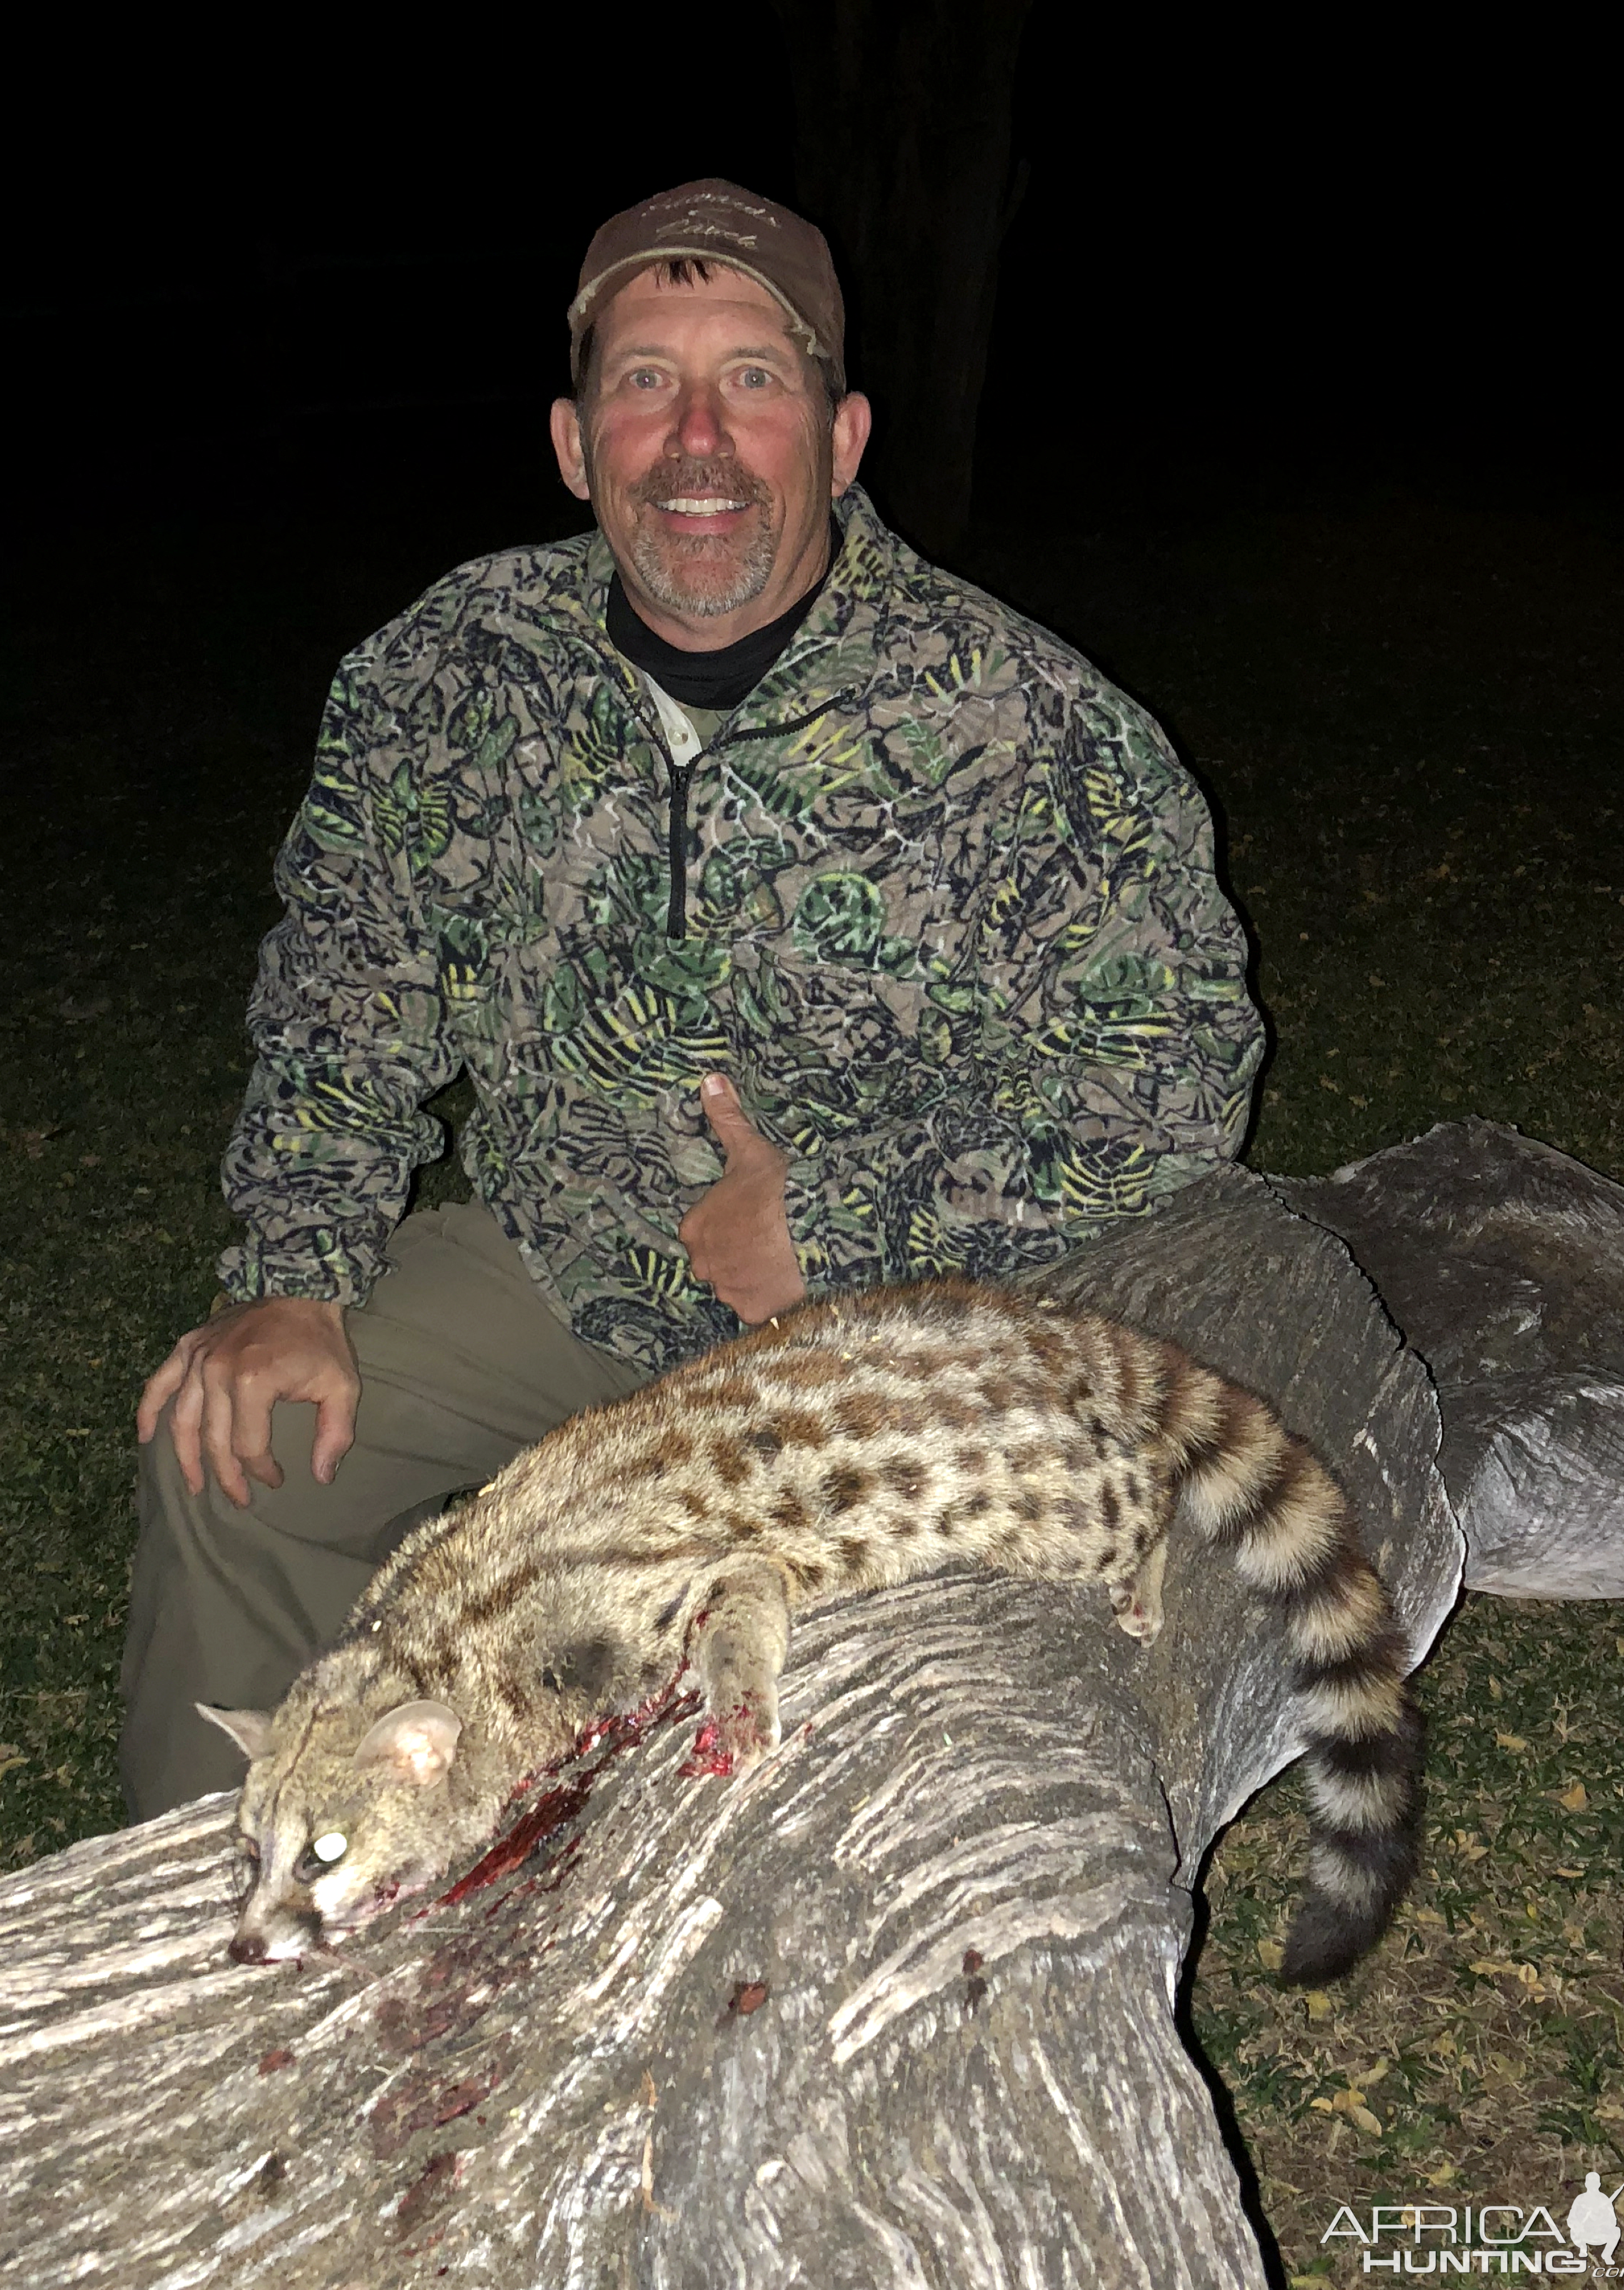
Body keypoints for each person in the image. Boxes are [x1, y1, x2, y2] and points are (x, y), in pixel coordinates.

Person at [122, 178, 1264, 1816]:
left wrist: (848, 1223)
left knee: (880, 1727)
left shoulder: (1023, 716)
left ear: (843, 434)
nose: (698, 436)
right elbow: (342, 988)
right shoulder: (446, 667)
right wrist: (295, 1270)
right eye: (644, 381)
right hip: (562, 1273)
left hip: (873, 1356)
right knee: (231, 1455)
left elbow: (1182, 1076)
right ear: (576, 443)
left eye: (754, 379)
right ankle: (238, 1963)